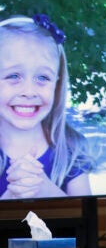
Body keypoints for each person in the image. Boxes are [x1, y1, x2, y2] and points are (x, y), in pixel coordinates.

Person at [0, 14, 95, 200]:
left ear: (57, 85)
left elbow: (87, 223)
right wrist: (10, 198)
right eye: (13, 76)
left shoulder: (70, 149)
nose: (29, 91)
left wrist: (46, 191)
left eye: (42, 78)